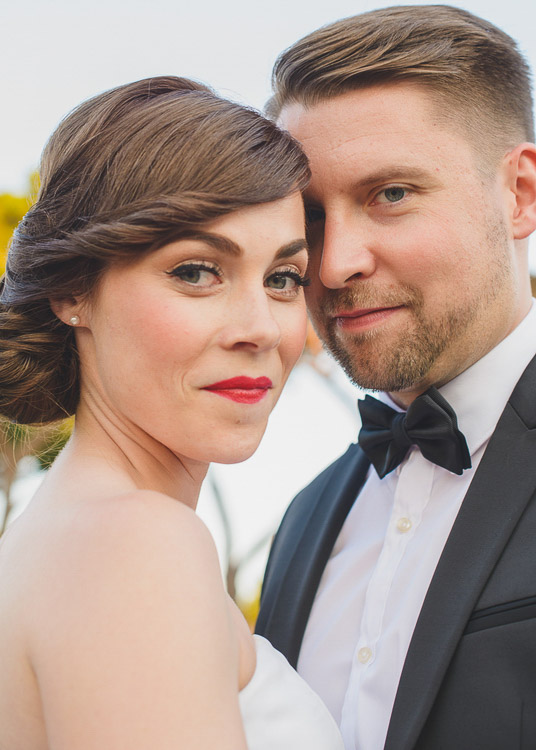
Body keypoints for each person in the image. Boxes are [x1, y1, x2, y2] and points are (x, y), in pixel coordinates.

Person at [0, 77, 344, 749]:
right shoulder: (134, 543)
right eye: (197, 271)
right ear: (71, 290)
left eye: (282, 279)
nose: (259, 328)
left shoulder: (66, 533)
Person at [255, 6, 536, 750]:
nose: (337, 262)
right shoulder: (305, 519)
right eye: (311, 218)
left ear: (520, 194)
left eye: (391, 194)